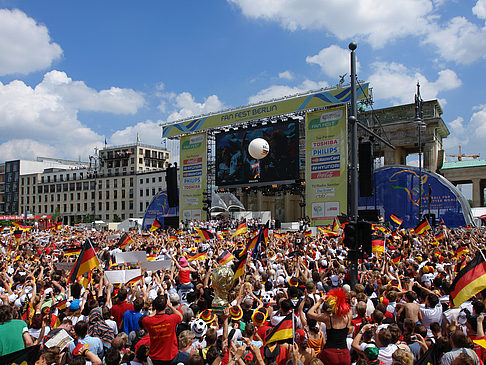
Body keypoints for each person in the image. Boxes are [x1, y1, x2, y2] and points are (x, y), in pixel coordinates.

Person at [308, 288, 352, 365]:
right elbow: (348, 307)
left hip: (330, 353)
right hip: (345, 353)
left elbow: (310, 313)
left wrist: (319, 302)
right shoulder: (348, 317)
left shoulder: (328, 319)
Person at [142, 294, 184, 364]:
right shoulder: (171, 319)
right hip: (171, 355)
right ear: (165, 306)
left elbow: (148, 317)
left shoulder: (148, 321)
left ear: (154, 306)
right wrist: (170, 306)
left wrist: (157, 309)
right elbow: (180, 316)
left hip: (155, 356)